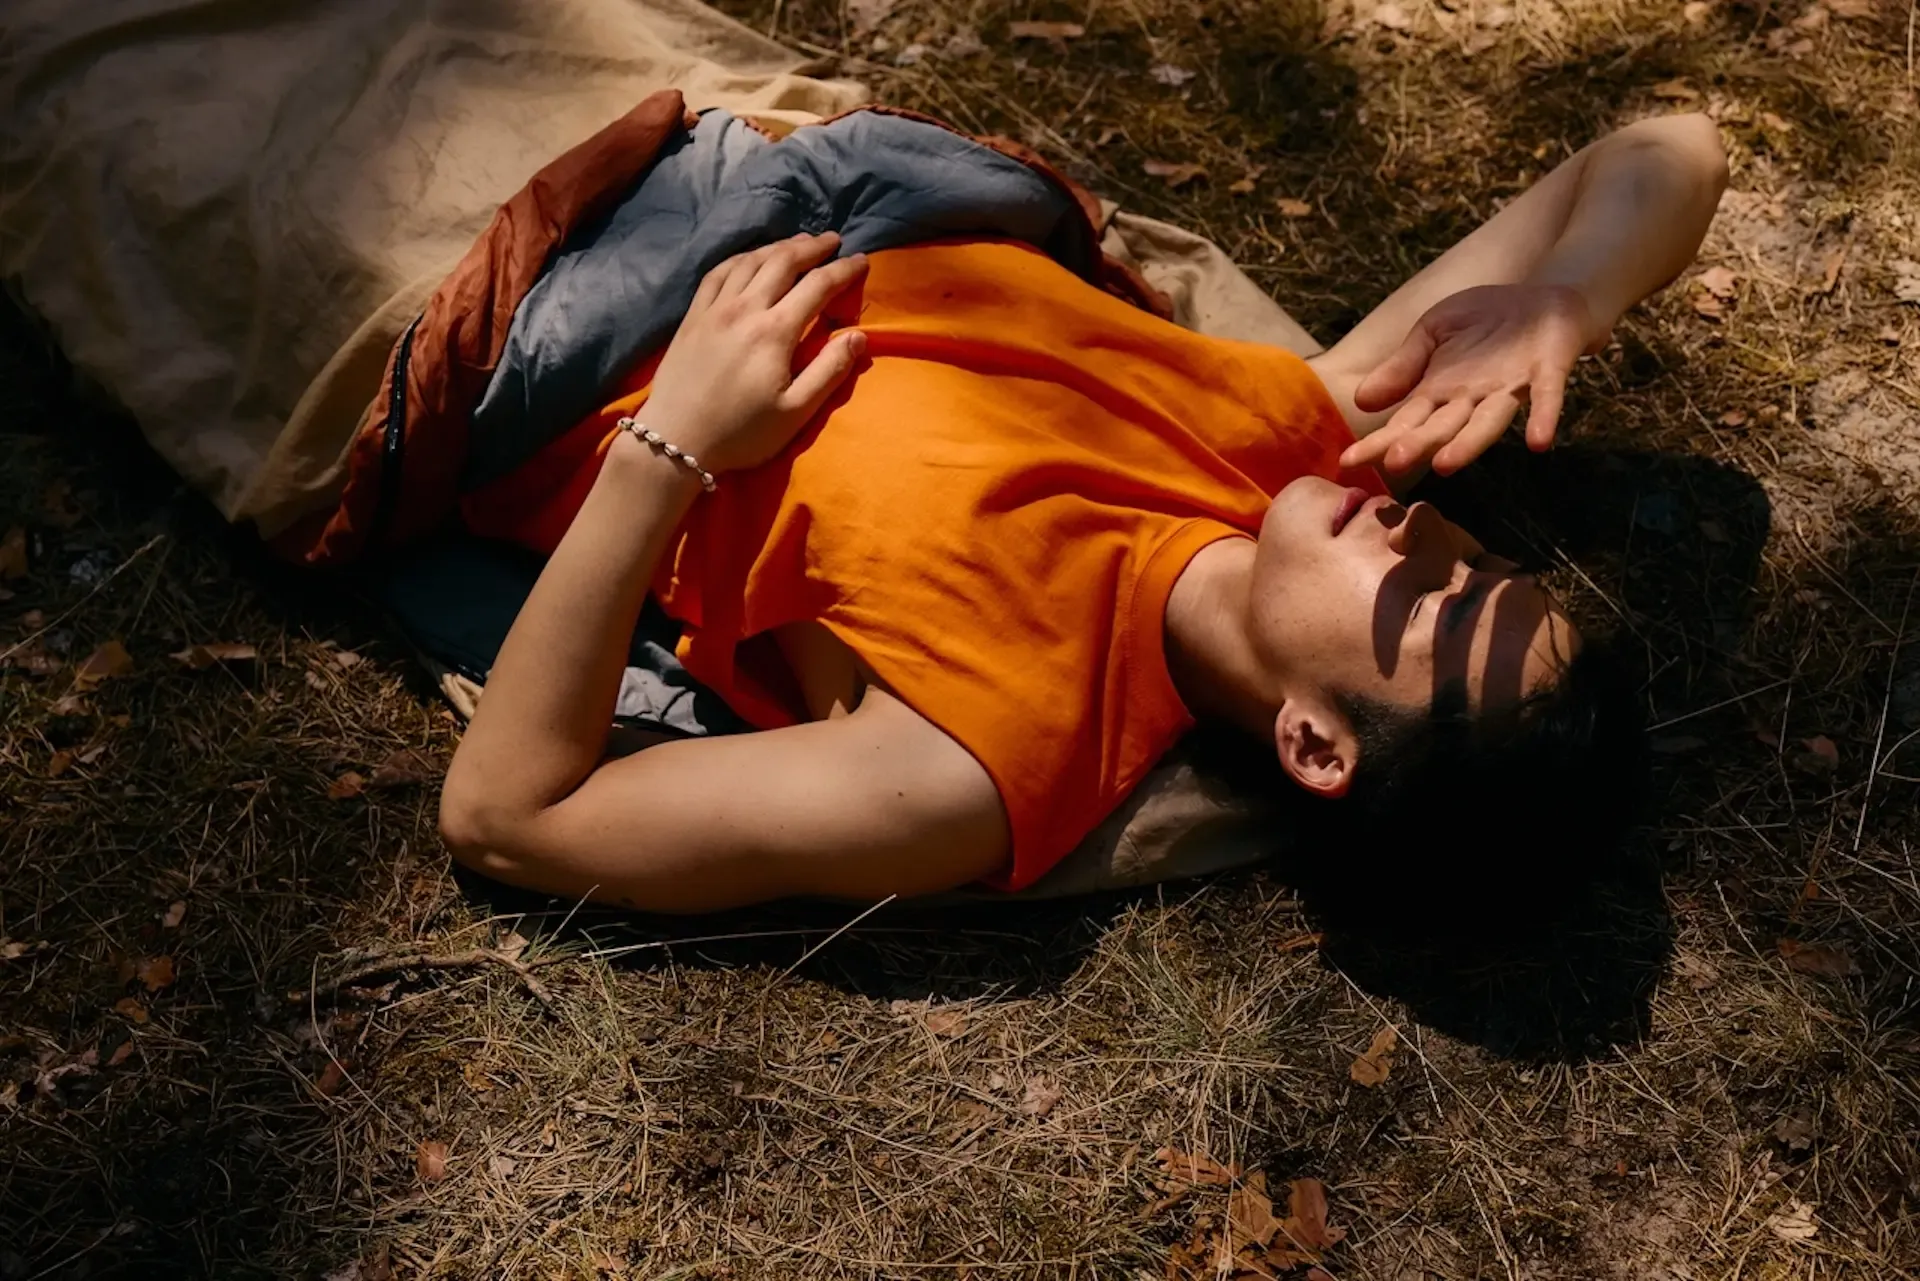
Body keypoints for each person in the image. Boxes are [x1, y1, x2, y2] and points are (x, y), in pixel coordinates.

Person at [437, 113, 1728, 912]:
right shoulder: (1322, 446)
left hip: (544, 320)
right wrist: (1567, 301)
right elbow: (1667, 148)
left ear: (1317, 745)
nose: (1422, 534)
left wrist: (672, 453)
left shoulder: (974, 766)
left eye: (1434, 603)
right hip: (738, 155)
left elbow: (511, 824)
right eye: (1478, 555)